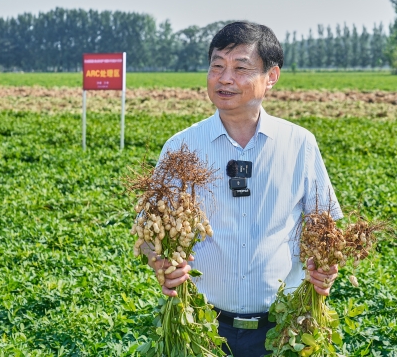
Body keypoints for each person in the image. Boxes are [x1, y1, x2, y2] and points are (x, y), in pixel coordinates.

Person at [143, 21, 342, 357]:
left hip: (283, 330)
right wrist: (158, 260)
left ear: (272, 76)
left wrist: (326, 265)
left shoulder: (299, 144)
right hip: (201, 330)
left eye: (240, 68)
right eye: (217, 66)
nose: (225, 78)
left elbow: (326, 226)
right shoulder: (181, 148)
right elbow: (150, 232)